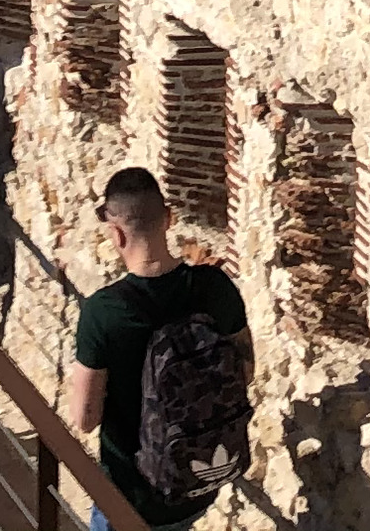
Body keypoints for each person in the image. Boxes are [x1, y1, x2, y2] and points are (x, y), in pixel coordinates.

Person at [62, 167, 251, 530]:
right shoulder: (215, 287)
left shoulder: (104, 311)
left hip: (131, 498)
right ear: (169, 218)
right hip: (197, 484)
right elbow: (246, 371)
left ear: (116, 233)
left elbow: (85, 418)